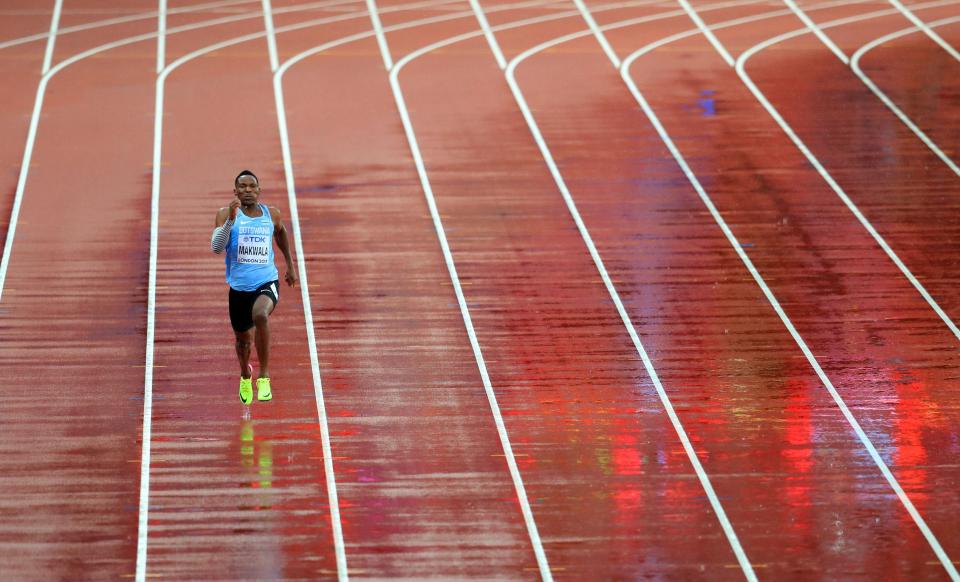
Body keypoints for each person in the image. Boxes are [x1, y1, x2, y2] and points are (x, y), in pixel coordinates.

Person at [211, 170, 297, 404]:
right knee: (243, 342)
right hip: (239, 289)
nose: (248, 190)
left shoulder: (272, 215)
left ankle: (264, 376)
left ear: (259, 191)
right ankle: (245, 373)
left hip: (266, 281)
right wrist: (230, 220)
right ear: (235, 191)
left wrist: (290, 265)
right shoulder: (225, 215)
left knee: (261, 315)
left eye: (252, 186)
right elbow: (217, 248)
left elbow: (281, 233)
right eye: (243, 187)